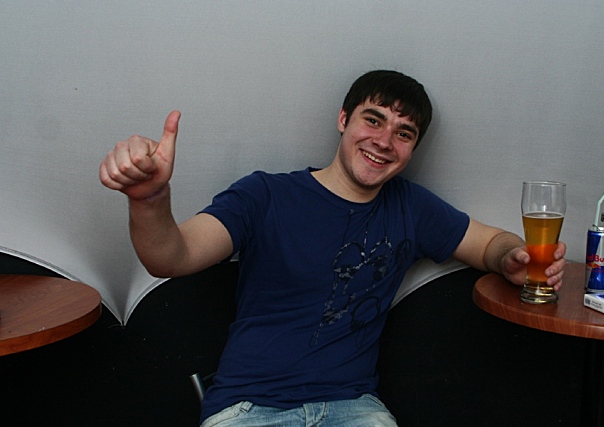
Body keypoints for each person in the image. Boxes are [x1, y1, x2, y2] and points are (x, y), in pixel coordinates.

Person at [99, 70, 566, 427]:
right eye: (373, 119)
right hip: (249, 407)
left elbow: (489, 243)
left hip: (354, 409)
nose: (384, 141)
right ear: (344, 120)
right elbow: (171, 256)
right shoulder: (265, 195)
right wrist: (150, 199)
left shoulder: (412, 207)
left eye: (403, 133)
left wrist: (512, 257)